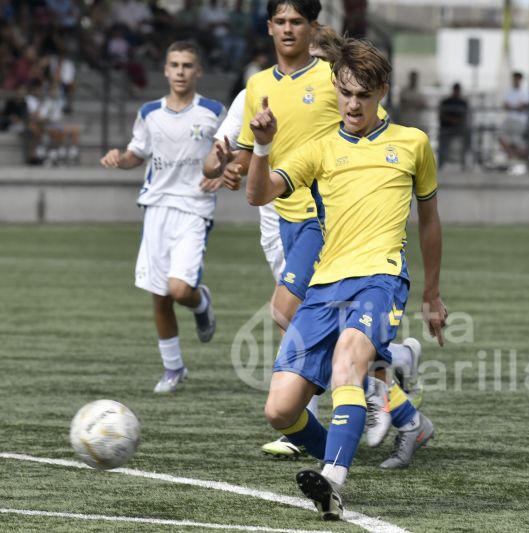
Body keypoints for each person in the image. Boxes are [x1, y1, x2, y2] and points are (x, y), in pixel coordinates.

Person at [246, 37, 446, 520]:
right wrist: (262, 146)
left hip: (380, 279)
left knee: (347, 363)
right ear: (336, 88)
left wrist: (432, 293)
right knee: (280, 411)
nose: (353, 104)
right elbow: (258, 194)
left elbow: (430, 220)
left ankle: (333, 481)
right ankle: (341, 449)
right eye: (345, 93)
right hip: (324, 287)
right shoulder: (319, 150)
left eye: (363, 95)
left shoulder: (413, 144)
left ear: (382, 93)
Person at [218, 0, 425, 461]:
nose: (288, 29)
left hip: (322, 218)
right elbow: (242, 149)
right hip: (279, 216)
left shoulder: (334, 77)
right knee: (306, 321)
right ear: (268, 27)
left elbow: (363, 126)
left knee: (284, 310)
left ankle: (362, 391)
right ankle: (391, 378)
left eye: (297, 21)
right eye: (280, 21)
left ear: (312, 28)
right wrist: (229, 165)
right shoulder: (257, 86)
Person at [100, 41, 225, 392]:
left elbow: (232, 153)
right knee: (159, 295)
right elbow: (136, 154)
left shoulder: (214, 111)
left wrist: (222, 173)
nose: (181, 71)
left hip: (194, 208)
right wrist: (119, 159)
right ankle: (173, 368)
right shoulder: (149, 113)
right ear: (166, 70)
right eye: (175, 65)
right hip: (156, 208)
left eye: (187, 65)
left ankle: (200, 303)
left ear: (198, 71)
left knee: (179, 290)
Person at [499, 71, 529, 175]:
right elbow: (506, 105)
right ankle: (512, 154)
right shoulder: (508, 90)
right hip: (509, 119)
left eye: (518, 78)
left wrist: (514, 107)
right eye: (515, 78)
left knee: (516, 142)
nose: (516, 80)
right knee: (501, 137)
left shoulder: (525, 91)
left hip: (520, 121)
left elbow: (523, 106)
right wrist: (515, 107)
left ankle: (515, 156)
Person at [437, 82, 469, 169]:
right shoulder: (446, 102)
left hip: (459, 128)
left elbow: (465, 117)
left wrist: (455, 121)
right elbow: (441, 116)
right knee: (442, 143)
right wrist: (452, 120)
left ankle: (465, 163)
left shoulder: (463, 103)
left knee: (467, 135)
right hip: (446, 128)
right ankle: (440, 164)